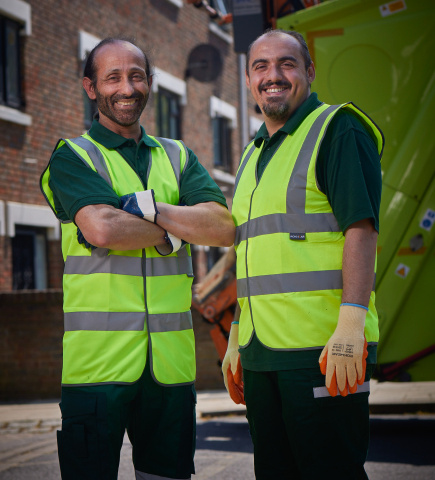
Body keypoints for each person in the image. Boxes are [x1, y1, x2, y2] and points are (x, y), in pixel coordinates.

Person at [40, 37, 235, 480]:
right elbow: (102, 228)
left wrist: (149, 211)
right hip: (97, 370)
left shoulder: (178, 155)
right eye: (113, 77)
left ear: (150, 83)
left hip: (170, 370)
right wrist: (174, 237)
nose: (127, 88)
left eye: (136, 76)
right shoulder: (72, 157)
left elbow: (222, 227)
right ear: (90, 88)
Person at [222, 29, 384, 479]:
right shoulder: (252, 154)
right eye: (261, 67)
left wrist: (351, 322)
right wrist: (237, 333)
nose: (273, 76)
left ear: (309, 72)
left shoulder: (338, 128)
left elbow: (361, 228)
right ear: (249, 80)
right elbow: (253, 252)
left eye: (287, 64)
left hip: (323, 349)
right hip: (261, 354)